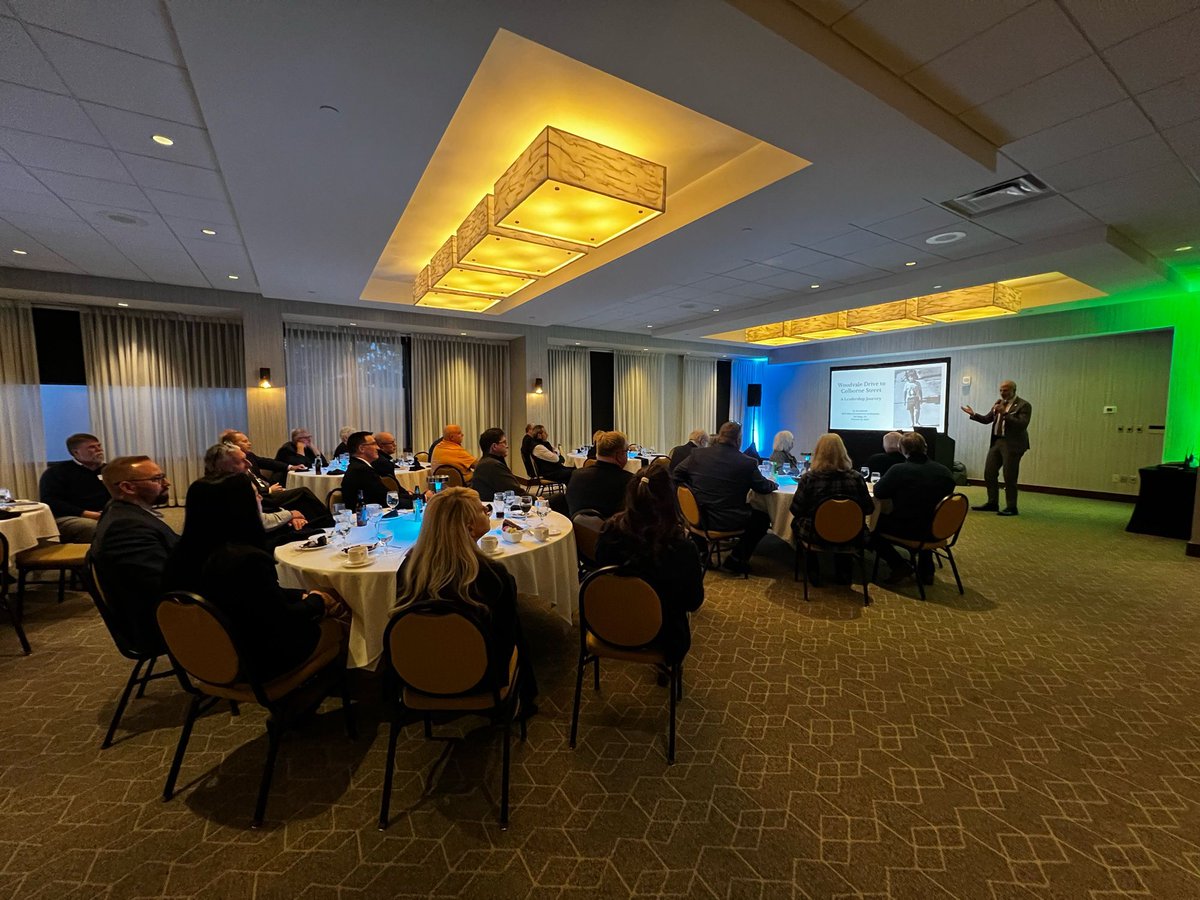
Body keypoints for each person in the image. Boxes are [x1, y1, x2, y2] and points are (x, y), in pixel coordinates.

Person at [163, 474, 347, 682]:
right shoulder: (245, 560)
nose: (261, 499)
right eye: (254, 495)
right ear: (238, 506)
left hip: (207, 655)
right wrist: (318, 601)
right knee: (338, 607)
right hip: (258, 660)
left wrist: (301, 595)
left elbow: (254, 600)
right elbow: (281, 619)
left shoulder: (182, 553)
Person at [394, 486, 537, 713]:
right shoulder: (493, 575)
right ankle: (522, 700)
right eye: (483, 510)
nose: (487, 512)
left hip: (419, 675)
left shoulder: (410, 571)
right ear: (470, 528)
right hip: (482, 679)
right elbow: (506, 639)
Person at [595, 467, 704, 664]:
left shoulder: (609, 531)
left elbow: (600, 575)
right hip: (662, 637)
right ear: (671, 500)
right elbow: (693, 601)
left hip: (607, 625)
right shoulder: (682, 548)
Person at [88, 455, 178, 649]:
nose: (167, 483)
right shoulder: (124, 528)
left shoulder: (124, 513)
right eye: (157, 479)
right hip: (158, 623)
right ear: (128, 488)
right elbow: (163, 583)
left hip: (161, 607)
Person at [673, 421, 776, 574]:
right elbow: (763, 487)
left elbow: (676, 474)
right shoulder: (747, 462)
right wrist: (773, 484)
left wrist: (691, 492)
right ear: (738, 440)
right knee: (762, 518)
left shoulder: (697, 455)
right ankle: (736, 559)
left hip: (696, 517)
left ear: (720, 437)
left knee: (699, 505)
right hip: (728, 521)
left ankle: (702, 551)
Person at [872, 432, 956, 585]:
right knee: (925, 514)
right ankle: (927, 571)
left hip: (909, 529)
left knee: (870, 529)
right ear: (925, 448)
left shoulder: (899, 470)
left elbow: (878, 492)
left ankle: (899, 565)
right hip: (938, 529)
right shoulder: (945, 472)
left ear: (902, 449)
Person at [788, 433, 872, 584]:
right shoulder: (856, 478)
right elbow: (868, 508)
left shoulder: (810, 478)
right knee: (844, 526)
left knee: (796, 523)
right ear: (843, 452)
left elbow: (796, 509)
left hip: (815, 533)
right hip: (851, 533)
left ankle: (812, 570)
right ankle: (844, 572)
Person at [204, 442, 332, 536]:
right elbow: (259, 522)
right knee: (314, 532)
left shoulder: (233, 481)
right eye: (242, 461)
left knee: (313, 526)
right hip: (251, 542)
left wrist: (288, 516)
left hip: (266, 523)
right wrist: (290, 514)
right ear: (223, 466)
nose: (249, 465)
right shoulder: (229, 489)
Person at [961, 379, 1032, 516]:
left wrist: (1004, 413)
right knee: (989, 472)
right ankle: (992, 503)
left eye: (1005, 390)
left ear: (1013, 390)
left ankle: (1012, 507)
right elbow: (988, 419)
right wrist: (973, 414)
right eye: (1000, 390)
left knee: (1009, 476)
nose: (1002, 393)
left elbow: (1022, 424)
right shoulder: (999, 403)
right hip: (997, 442)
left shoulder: (1023, 405)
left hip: (1013, 444)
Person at [472, 428, 569, 514]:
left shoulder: (486, 462)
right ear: (494, 446)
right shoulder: (492, 465)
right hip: (502, 509)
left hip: (498, 505)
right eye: (504, 442)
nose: (507, 446)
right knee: (560, 499)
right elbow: (514, 491)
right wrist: (537, 499)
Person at [38, 432, 110, 542]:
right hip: (71, 517)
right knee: (94, 527)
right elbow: (50, 501)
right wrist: (88, 514)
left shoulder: (110, 470)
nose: (99, 450)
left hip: (106, 513)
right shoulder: (57, 472)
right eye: (92, 447)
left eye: (99, 446)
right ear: (76, 452)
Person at [567, 430, 635, 518]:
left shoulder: (577, 475)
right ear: (619, 455)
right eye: (626, 451)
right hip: (612, 530)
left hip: (579, 529)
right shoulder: (628, 481)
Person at [220, 429, 301, 485]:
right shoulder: (231, 464)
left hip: (266, 486)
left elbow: (268, 462)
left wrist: (290, 467)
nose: (249, 443)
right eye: (245, 441)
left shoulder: (249, 455)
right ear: (232, 445)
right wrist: (269, 490)